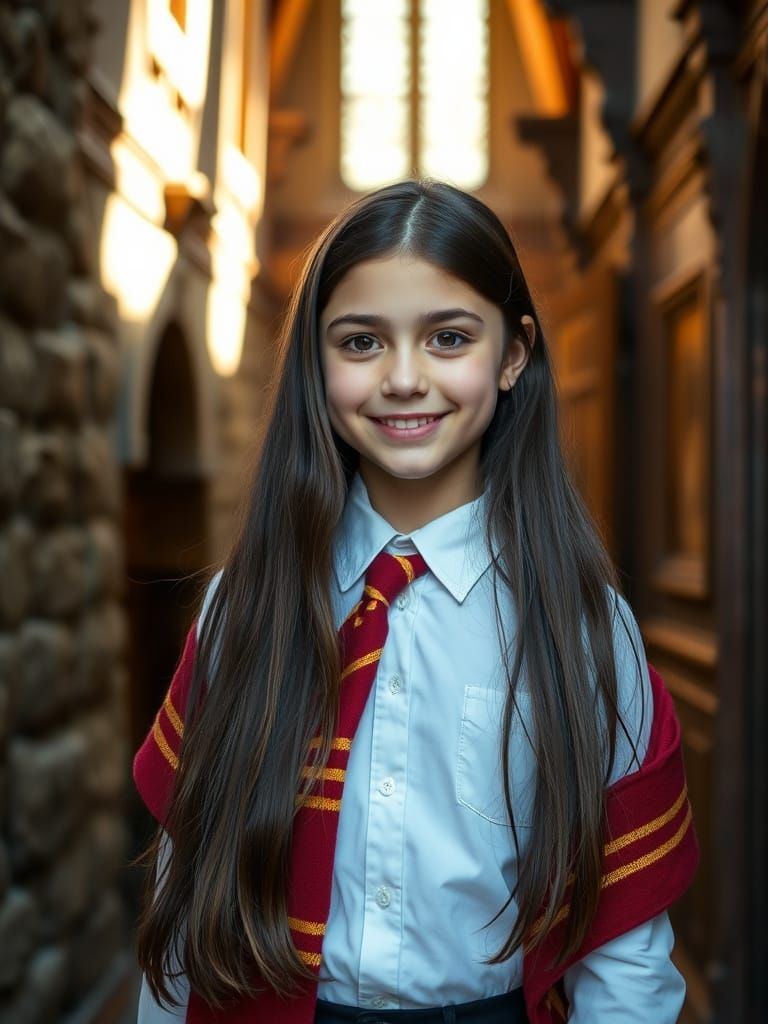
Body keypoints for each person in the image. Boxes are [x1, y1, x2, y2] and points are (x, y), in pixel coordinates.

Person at [132, 180, 698, 1024]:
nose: (403, 379)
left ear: (513, 356)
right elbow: (182, 917)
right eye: (360, 342)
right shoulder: (243, 609)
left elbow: (624, 957)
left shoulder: (580, 624)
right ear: (316, 366)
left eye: (448, 338)